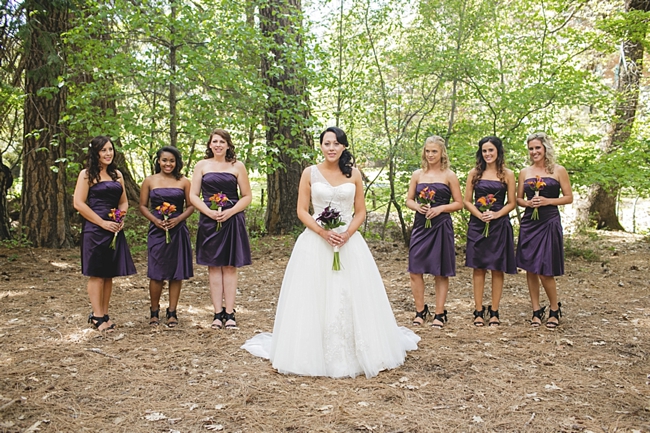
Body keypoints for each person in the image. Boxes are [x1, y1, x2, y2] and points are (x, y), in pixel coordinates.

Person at [241, 126, 419, 379]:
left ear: (344, 147)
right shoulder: (309, 173)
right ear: (321, 146)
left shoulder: (354, 174)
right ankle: (311, 349)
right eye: (326, 143)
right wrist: (323, 233)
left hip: (348, 242)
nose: (331, 148)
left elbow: (360, 212)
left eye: (336, 143)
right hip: (316, 241)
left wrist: (346, 234)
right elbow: (302, 210)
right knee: (314, 294)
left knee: (350, 293)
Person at [190, 129, 252, 329]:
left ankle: (230, 313)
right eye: (214, 141)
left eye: (222, 141)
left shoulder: (237, 166)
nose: (218, 145)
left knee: (230, 266)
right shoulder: (201, 166)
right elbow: (193, 195)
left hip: (232, 219)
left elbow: (246, 196)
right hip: (209, 220)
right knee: (214, 266)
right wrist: (208, 212)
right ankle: (217, 313)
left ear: (228, 145)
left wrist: (231, 211)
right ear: (209, 145)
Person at [73, 136, 136, 331]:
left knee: (109, 274)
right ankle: (96, 316)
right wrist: (101, 222)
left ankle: (105, 314)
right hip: (95, 228)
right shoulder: (86, 175)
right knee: (97, 273)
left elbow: (124, 201)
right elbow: (78, 203)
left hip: (114, 228)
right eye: (103, 150)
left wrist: (120, 218)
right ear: (95, 153)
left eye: (110, 149)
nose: (108, 153)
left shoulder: (117, 174)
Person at [406, 135, 463, 328]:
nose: (430, 155)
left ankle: (440, 313)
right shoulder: (417, 174)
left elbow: (459, 203)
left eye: (434, 152)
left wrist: (440, 208)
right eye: (427, 151)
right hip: (422, 225)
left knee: (440, 271)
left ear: (441, 153)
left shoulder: (449, 175)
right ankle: (420, 310)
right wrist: (417, 207)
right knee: (415, 269)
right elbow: (409, 200)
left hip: (441, 225)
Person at [516, 132, 572, 329]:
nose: (534, 152)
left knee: (545, 269)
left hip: (549, 221)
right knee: (530, 268)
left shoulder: (558, 170)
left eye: (537, 148)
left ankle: (554, 308)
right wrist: (528, 203)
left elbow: (568, 197)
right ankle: (536, 310)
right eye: (531, 148)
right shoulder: (525, 172)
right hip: (530, 221)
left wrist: (548, 201)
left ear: (545, 148)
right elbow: (518, 199)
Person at [463, 136, 517, 326]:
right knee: (478, 267)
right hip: (478, 224)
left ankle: (494, 311)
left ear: (498, 151)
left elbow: (512, 202)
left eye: (491, 150)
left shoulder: (507, 174)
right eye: (484, 151)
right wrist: (479, 215)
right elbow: (467, 200)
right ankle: (478, 310)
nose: (488, 154)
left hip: (499, 224)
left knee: (496, 268)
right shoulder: (474, 173)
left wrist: (496, 215)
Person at [139, 146, 194, 328]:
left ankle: (172, 312)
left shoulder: (184, 182)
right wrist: (155, 220)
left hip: (178, 230)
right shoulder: (149, 181)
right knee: (156, 272)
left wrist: (178, 219)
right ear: (158, 161)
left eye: (171, 161)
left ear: (177, 162)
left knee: (176, 273)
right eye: (164, 160)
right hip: (157, 230)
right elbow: (143, 206)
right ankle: (154, 311)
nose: (168, 164)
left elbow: (191, 206)